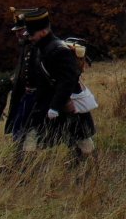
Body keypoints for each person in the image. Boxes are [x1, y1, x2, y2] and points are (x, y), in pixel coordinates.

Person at [26, 9, 93, 163]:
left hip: (63, 106)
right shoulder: (40, 49)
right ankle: (28, 171)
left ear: (43, 32)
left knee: (83, 143)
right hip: (46, 106)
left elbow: (68, 80)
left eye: (32, 34)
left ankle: (89, 169)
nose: (30, 37)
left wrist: (55, 107)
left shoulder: (59, 50)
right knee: (31, 141)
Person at [2, 8, 44, 159]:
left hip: (37, 97)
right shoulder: (25, 46)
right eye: (17, 31)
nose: (17, 34)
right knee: (19, 128)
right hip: (26, 95)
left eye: (20, 30)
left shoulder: (38, 47)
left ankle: (27, 160)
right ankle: (21, 159)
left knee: (30, 129)